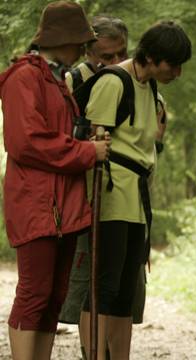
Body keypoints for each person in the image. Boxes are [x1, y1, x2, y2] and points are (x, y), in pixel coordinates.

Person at [0, 1, 110, 359]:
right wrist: (86, 153)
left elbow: (55, 135)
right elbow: (26, 142)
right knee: (34, 293)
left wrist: (86, 141)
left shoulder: (54, 78)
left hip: (61, 206)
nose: (83, 49)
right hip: (36, 204)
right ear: (62, 40)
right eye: (79, 41)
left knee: (54, 295)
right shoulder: (24, 78)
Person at [78, 20, 191, 359]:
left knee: (127, 288)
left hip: (137, 197)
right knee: (105, 284)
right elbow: (94, 138)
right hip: (111, 193)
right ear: (153, 57)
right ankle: (94, 355)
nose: (178, 73)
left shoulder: (151, 89)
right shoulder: (115, 81)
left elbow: (146, 146)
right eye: (173, 64)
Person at [58, 15, 151, 355]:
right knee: (93, 279)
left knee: (125, 281)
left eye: (119, 54)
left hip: (129, 194)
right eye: (105, 56)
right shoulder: (74, 81)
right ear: (89, 51)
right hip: (90, 193)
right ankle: (91, 351)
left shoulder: (135, 81)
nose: (112, 62)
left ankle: (112, 351)